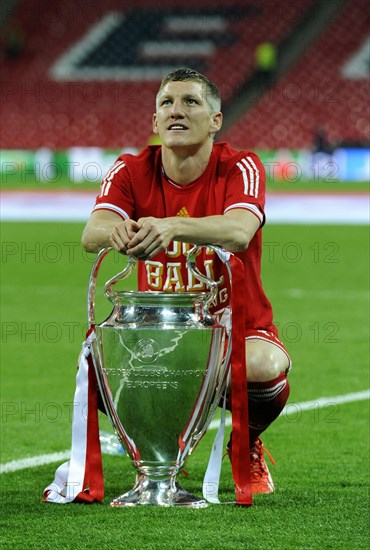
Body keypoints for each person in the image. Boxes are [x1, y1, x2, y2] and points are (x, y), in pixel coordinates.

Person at [81, 67, 291, 495]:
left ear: (215, 119)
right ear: (155, 122)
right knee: (96, 364)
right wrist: (117, 233)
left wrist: (174, 228)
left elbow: (238, 231)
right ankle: (156, 453)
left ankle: (245, 442)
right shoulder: (130, 169)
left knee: (266, 368)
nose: (176, 111)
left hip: (236, 332)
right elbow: (92, 233)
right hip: (161, 334)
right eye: (166, 104)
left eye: (190, 102)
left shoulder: (240, 166)